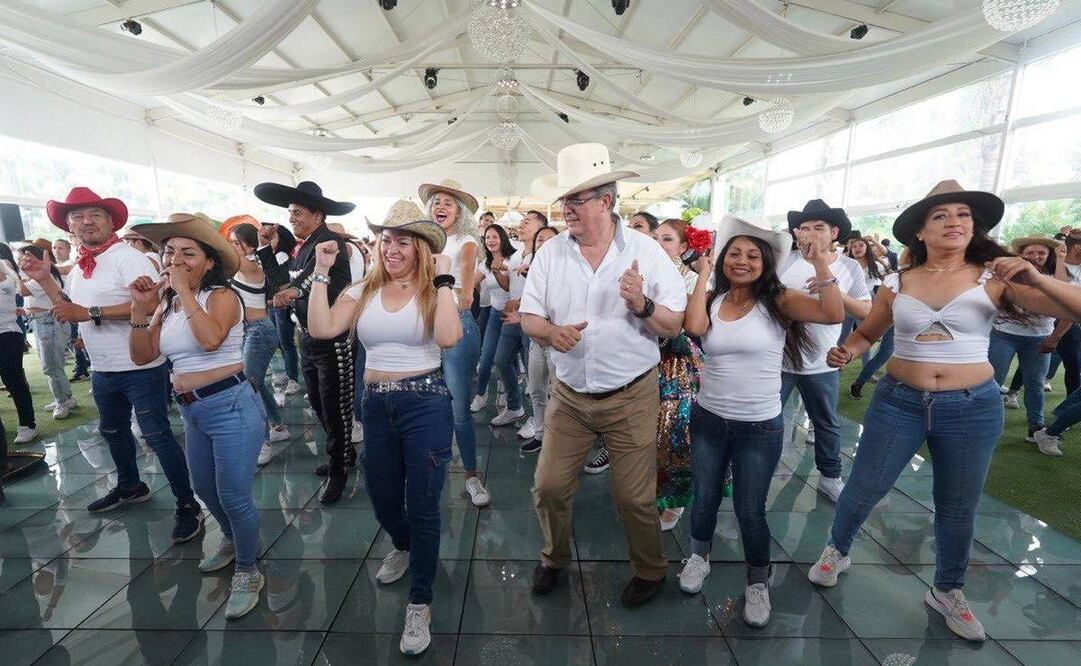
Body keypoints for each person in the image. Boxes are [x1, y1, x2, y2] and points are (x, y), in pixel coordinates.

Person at [809, 180, 1081, 641]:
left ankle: (947, 589)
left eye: (963, 215)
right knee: (864, 486)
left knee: (957, 505)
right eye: (941, 216)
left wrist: (1035, 277)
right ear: (919, 232)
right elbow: (866, 334)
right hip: (899, 402)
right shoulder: (898, 283)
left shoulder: (993, 280)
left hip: (972, 408)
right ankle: (838, 548)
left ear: (973, 227)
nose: (954, 222)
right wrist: (847, 352)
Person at [521, 143, 687, 607]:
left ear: (606, 201)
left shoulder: (647, 253)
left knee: (633, 497)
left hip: (632, 395)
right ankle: (553, 558)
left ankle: (650, 571)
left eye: (576, 199)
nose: (566, 209)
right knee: (548, 485)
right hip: (569, 396)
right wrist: (552, 333)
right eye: (564, 200)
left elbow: (673, 324)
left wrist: (642, 305)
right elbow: (530, 317)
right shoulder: (552, 253)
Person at [305, 200, 461, 656]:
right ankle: (406, 544)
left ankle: (420, 601)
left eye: (403, 241)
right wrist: (320, 271)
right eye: (387, 240)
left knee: (425, 504)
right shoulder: (362, 288)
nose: (392, 249)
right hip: (376, 406)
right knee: (383, 497)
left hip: (426, 402)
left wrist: (446, 279)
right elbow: (322, 328)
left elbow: (449, 338)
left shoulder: (435, 289)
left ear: (421, 249)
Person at [678, 215, 843, 627]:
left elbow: (831, 313)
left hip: (759, 425)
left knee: (751, 508)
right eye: (735, 253)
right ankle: (699, 556)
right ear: (722, 260)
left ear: (765, 265)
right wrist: (702, 275)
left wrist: (822, 263)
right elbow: (694, 327)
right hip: (709, 418)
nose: (743, 260)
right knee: (704, 495)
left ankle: (757, 580)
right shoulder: (713, 298)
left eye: (753, 256)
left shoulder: (780, 301)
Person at [19, 187, 201, 541]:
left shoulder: (126, 257)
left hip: (141, 367)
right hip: (103, 369)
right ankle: (131, 486)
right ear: (69, 226)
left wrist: (91, 313)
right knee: (113, 432)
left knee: (157, 436)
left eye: (94, 215)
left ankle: (187, 504)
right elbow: (70, 305)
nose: (86, 222)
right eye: (77, 217)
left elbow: (150, 305)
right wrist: (44, 279)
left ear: (110, 221)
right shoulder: (83, 263)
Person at [128, 212, 267, 620]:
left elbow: (209, 341)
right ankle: (232, 540)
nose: (175, 261)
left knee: (233, 495)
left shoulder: (222, 296)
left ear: (209, 262)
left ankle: (248, 570)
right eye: (169, 252)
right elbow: (142, 355)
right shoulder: (168, 303)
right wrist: (141, 308)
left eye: (188, 253)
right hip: (193, 412)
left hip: (231, 407)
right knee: (204, 489)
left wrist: (185, 291)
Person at [255, 181, 356, 504]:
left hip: (332, 337)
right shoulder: (306, 244)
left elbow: (309, 280)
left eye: (297, 213)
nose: (291, 218)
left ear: (318, 214)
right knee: (318, 403)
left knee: (335, 407)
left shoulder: (329, 242)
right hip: (308, 337)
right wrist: (264, 251)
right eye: (290, 213)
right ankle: (343, 454)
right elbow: (283, 279)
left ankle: (339, 471)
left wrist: (294, 292)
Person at [779, 199, 872, 503]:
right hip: (778, 359)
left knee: (826, 422)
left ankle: (830, 476)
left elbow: (866, 311)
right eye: (804, 227)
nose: (811, 233)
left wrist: (833, 291)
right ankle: (752, 470)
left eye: (819, 227)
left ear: (834, 232)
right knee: (765, 419)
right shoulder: (784, 260)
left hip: (822, 360)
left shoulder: (847, 267)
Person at [419, 179, 488, 508]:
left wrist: (438, 296)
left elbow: (465, 298)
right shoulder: (421, 244)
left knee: (458, 407)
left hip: (457, 326)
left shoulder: (466, 243)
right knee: (430, 404)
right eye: (436, 202)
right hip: (423, 327)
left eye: (448, 202)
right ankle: (434, 470)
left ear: (459, 212)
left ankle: (472, 475)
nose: (440, 207)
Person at [646, 219, 706, 532]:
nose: (658, 243)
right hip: (643, 363)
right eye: (654, 237)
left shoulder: (695, 281)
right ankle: (648, 495)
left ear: (684, 248)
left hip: (678, 365)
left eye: (667, 239)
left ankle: (675, 502)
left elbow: (694, 329)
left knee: (674, 432)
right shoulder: (643, 274)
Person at [989, 235, 1066, 445]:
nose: (1036, 256)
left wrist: (1060, 259)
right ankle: (986, 424)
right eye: (1030, 252)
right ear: (1020, 255)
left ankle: (1035, 427)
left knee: (1036, 385)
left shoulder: (1051, 276)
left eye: (1042, 252)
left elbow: (1062, 292)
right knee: (992, 382)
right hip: (1003, 335)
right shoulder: (1009, 274)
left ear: (1048, 255)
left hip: (1038, 339)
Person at [228, 222, 291, 465]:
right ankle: (277, 426)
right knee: (254, 383)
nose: (232, 247)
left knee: (249, 386)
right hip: (246, 331)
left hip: (259, 331)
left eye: (236, 242)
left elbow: (227, 256)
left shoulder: (253, 266)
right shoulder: (240, 267)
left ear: (248, 245)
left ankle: (262, 441)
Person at [470, 224, 523, 426]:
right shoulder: (486, 262)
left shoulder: (513, 259)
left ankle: (512, 399)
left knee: (504, 359)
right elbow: (471, 281)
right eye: (487, 238)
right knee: (485, 359)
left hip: (512, 315)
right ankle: (481, 395)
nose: (490, 241)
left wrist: (499, 271)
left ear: (502, 238)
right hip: (494, 314)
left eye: (494, 236)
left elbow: (508, 286)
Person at [17, 243, 77, 419]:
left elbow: (22, 290)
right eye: (20, 259)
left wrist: (14, 272)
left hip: (48, 321)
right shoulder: (42, 277)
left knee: (50, 365)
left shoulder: (42, 276)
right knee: (53, 364)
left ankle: (62, 401)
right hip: (42, 320)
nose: (21, 261)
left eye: (24, 258)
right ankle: (65, 398)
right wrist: (26, 311)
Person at [505, 209, 549, 442]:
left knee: (548, 386)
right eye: (541, 239)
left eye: (527, 222)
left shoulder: (551, 264)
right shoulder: (522, 258)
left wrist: (520, 309)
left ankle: (546, 428)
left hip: (546, 333)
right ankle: (536, 426)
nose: (521, 226)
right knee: (535, 385)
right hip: (523, 325)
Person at [518, 226, 559, 455]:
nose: (544, 243)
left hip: (555, 340)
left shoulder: (567, 270)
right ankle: (541, 434)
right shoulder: (532, 270)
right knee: (536, 388)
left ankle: (557, 438)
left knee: (558, 392)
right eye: (540, 239)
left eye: (549, 239)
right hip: (536, 339)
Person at [844, 234, 895, 398]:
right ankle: (839, 361)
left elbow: (888, 258)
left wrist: (874, 242)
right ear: (850, 249)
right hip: (849, 303)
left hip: (870, 304)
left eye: (861, 246)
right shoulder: (847, 264)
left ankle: (865, 371)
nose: (858, 249)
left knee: (866, 338)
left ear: (866, 248)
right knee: (844, 335)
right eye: (854, 246)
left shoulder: (877, 265)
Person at [255, 222, 302, 399]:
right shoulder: (277, 254)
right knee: (283, 342)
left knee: (286, 342)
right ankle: (291, 374)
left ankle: (293, 378)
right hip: (275, 304)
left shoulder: (281, 255)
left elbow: (279, 281)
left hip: (280, 305)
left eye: (274, 237)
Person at [0, 244, 36, 445]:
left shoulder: (4, 270)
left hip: (7, 334)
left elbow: (22, 290)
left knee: (13, 381)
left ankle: (27, 424)